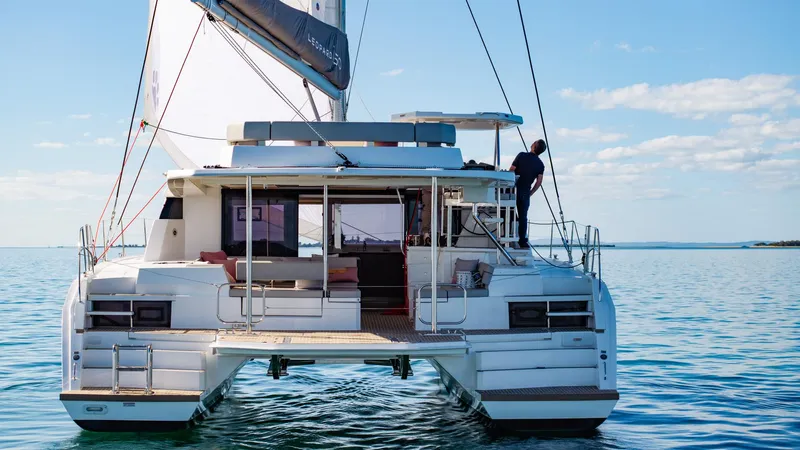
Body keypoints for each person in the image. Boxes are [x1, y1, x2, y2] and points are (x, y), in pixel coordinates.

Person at [509, 139, 546, 248]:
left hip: (513, 189)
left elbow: (511, 171)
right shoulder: (540, 164)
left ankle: (508, 235)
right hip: (525, 192)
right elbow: (539, 182)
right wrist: (531, 192)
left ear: (533, 146)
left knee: (508, 212)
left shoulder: (521, 155)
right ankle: (522, 241)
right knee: (523, 217)